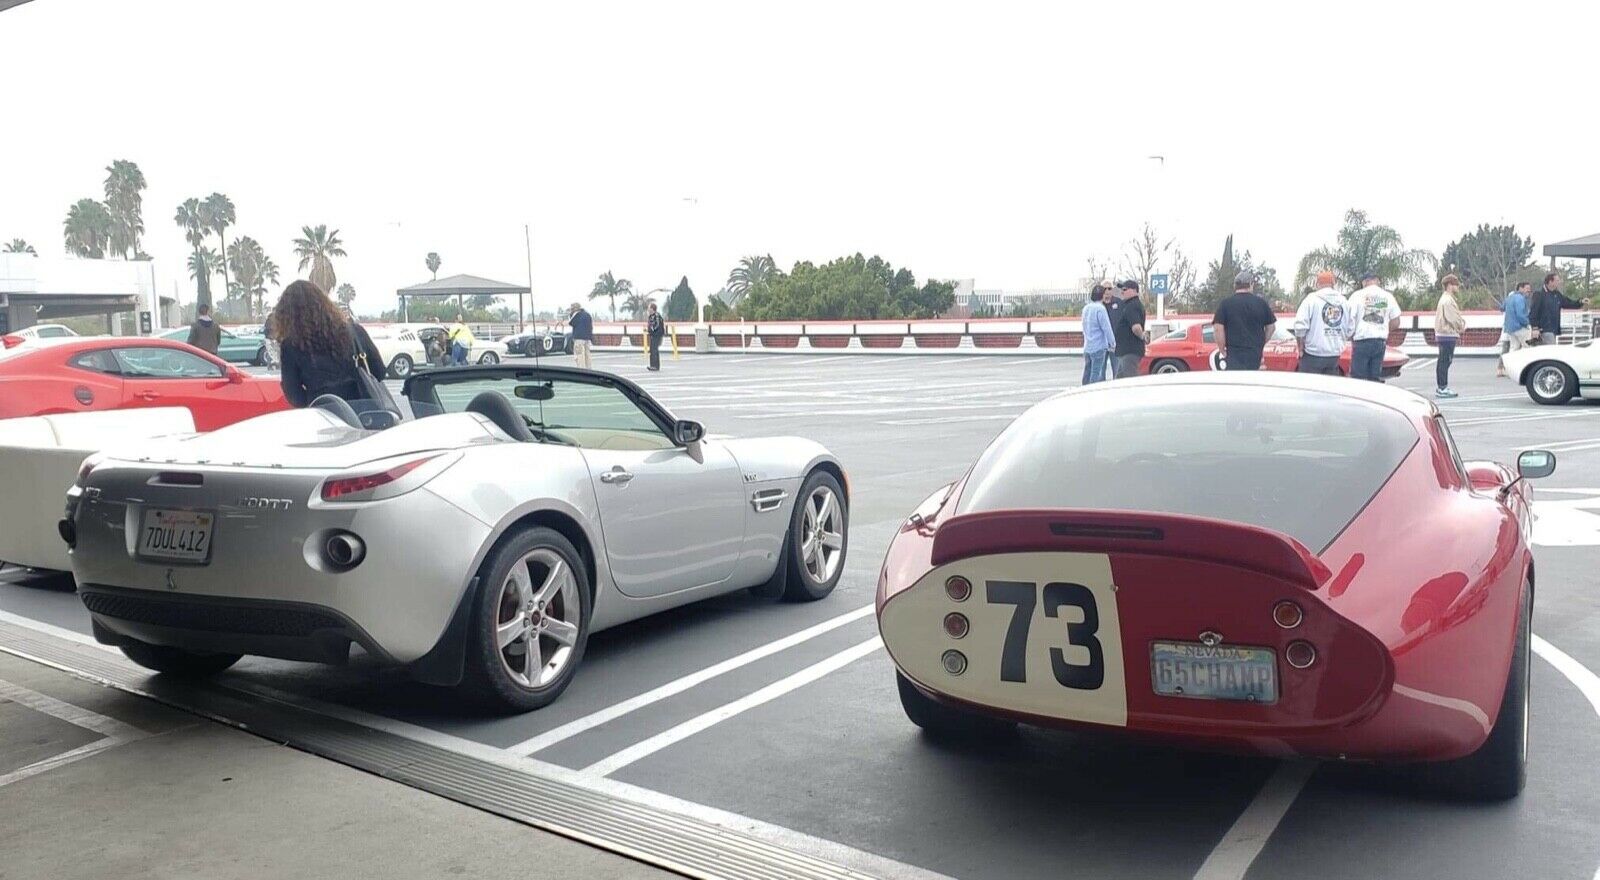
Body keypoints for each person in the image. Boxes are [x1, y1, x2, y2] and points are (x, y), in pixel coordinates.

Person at [273, 280, 385, 408]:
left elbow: (293, 394)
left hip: (323, 415)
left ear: (287, 315)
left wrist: (314, 398)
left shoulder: (291, 345)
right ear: (324, 304)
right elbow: (379, 371)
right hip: (363, 412)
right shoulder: (355, 332)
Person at [1212, 271, 1276, 371]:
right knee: (1253, 383)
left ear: (1235, 285)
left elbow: (1217, 329)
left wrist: (1221, 349)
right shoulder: (1261, 303)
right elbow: (1271, 327)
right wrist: (1261, 342)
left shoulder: (1225, 304)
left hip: (1233, 353)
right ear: (1251, 284)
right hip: (1255, 353)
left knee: (1236, 384)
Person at [1345, 271, 1401, 381]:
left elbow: (1349, 319)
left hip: (1362, 341)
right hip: (1380, 342)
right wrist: (1384, 329)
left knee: (1358, 378)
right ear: (1377, 280)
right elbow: (1396, 321)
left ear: (1365, 282)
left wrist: (1350, 335)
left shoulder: (1357, 295)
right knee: (1375, 377)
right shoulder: (1388, 296)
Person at [1291, 270, 1346, 376]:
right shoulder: (1344, 301)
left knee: (1309, 389)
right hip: (1334, 355)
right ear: (1333, 284)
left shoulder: (1311, 300)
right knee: (1329, 389)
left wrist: (1300, 348)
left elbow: (1300, 327)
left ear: (1317, 284)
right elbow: (1350, 326)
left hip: (1312, 354)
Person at [1529, 272, 1586, 345]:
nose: (1559, 282)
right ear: (1550, 282)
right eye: (1557, 281)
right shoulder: (1539, 294)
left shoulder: (1556, 294)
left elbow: (1567, 303)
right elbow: (1533, 311)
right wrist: (1535, 328)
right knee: (1550, 351)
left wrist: (1580, 302)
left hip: (1553, 329)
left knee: (1549, 351)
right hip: (1544, 329)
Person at [1433, 274, 1465, 398]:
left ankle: (1442, 386)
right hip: (1447, 333)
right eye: (1456, 284)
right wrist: (1461, 326)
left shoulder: (1445, 299)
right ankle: (1442, 387)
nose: (1458, 287)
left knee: (1443, 360)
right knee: (1445, 361)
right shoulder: (1448, 300)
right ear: (1450, 285)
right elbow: (1452, 318)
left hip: (1443, 333)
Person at [1497, 281, 1533, 377]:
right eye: (1527, 288)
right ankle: (1528, 370)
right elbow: (1521, 314)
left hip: (1510, 328)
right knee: (1527, 347)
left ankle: (1509, 369)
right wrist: (1527, 323)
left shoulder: (1509, 298)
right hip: (1520, 327)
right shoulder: (1520, 299)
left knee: (1513, 348)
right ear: (1520, 288)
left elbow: (1502, 308)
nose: (1528, 291)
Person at [1080, 285, 1115, 384]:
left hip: (1088, 346)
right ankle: (1091, 393)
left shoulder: (1086, 308)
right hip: (1099, 346)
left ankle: (1084, 391)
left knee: (1087, 372)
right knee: (1096, 373)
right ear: (1102, 296)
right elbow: (1106, 328)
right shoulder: (1101, 309)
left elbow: (1084, 326)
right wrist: (1112, 343)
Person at [1111, 280, 1146, 378]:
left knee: (1130, 380)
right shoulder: (1128, 305)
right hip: (1125, 351)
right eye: (1122, 290)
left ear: (1134, 290)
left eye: (1125, 289)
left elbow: (1136, 327)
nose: (1122, 292)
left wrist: (1142, 336)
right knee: (1120, 380)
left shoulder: (1132, 305)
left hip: (1130, 351)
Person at [569, 301, 594, 369]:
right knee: (587, 355)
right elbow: (591, 326)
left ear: (575, 309)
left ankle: (581, 370)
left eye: (571, 309)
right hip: (587, 338)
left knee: (579, 355)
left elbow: (571, 323)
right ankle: (589, 369)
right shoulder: (587, 314)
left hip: (579, 338)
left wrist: (571, 314)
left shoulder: (576, 314)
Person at [645, 302, 665, 371]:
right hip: (652, 335)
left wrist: (652, 329)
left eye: (649, 308)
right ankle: (652, 365)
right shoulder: (650, 316)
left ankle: (655, 366)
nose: (648, 310)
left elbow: (657, 325)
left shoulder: (657, 316)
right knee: (652, 349)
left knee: (654, 350)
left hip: (656, 335)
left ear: (652, 309)